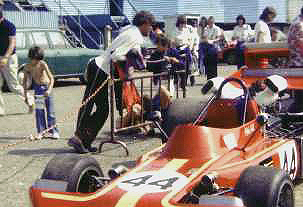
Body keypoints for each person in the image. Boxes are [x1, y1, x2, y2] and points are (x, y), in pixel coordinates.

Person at [68, 10, 154, 153]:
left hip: (103, 71)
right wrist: (132, 67)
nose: (151, 29)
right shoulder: (135, 35)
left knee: (103, 110)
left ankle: (86, 140)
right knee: (88, 105)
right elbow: (117, 56)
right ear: (144, 24)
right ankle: (78, 138)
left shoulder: (130, 30)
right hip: (99, 68)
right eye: (150, 25)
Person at [0, 0, 33, 116]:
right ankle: (0, 110)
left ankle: (30, 100)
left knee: (13, 86)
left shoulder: (9, 26)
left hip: (9, 58)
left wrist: (5, 57)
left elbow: (12, 44)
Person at [23, 46, 59, 139]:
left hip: (46, 87)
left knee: (50, 111)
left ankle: (54, 131)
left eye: (39, 59)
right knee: (39, 112)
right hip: (38, 89)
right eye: (36, 59)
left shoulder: (42, 64)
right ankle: (41, 132)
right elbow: (24, 82)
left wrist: (49, 90)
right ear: (31, 58)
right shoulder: (27, 67)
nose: (37, 62)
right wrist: (26, 96)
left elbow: (51, 78)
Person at [171, 15, 195, 87]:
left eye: (184, 23)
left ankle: (183, 83)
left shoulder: (186, 30)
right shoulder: (174, 31)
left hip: (186, 49)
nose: (183, 25)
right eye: (182, 23)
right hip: (178, 49)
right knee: (178, 66)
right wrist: (175, 49)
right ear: (179, 23)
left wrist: (190, 48)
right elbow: (172, 42)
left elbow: (190, 40)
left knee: (187, 67)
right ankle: (176, 81)